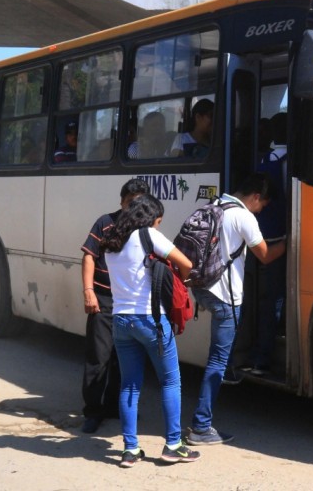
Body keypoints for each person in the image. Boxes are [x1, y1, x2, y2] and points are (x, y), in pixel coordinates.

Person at [186, 172, 286, 446]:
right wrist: (290, 241)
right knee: (216, 362)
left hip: (202, 288)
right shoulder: (244, 217)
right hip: (226, 297)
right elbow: (265, 256)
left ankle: (230, 370)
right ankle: (201, 426)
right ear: (255, 197)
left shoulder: (214, 205)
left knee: (219, 357)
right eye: (263, 204)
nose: (262, 208)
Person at [100, 194, 199, 468]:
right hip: (150, 320)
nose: (158, 225)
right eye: (158, 221)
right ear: (149, 219)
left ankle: (130, 450)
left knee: (130, 384)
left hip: (120, 321)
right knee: (170, 381)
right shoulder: (148, 236)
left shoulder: (111, 241)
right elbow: (186, 264)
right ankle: (173, 445)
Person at [80, 178, 150, 435]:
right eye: (130, 203)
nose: (134, 208)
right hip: (104, 300)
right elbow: (89, 255)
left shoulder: (145, 228)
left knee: (124, 360)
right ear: (121, 202)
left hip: (130, 303)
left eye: (139, 203)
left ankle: (114, 407)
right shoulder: (105, 223)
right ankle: (93, 412)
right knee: (98, 359)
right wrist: (89, 292)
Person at [249, 112, 288, 375]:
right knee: (275, 299)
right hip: (285, 238)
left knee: (267, 299)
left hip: (268, 237)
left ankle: (262, 357)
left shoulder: (267, 161)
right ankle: (264, 355)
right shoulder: (291, 161)